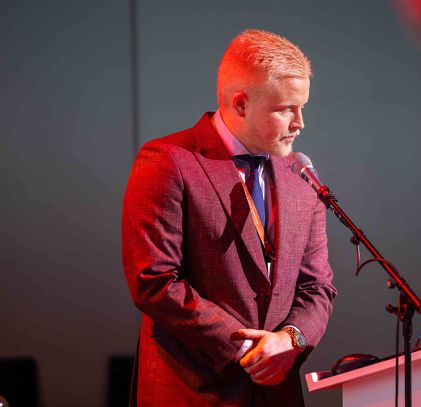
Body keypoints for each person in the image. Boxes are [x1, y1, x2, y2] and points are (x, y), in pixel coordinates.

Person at [121, 29, 336, 406]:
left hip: (277, 391)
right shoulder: (168, 161)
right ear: (240, 104)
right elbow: (154, 281)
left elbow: (317, 286)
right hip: (193, 391)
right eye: (285, 109)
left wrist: (291, 339)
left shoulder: (301, 174)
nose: (299, 122)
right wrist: (247, 348)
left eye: (302, 107)